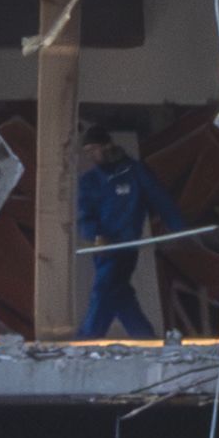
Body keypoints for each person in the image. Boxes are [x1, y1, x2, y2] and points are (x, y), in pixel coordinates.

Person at [72, 122, 176, 340]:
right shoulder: (90, 181)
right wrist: (96, 235)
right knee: (120, 295)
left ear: (107, 145)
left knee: (104, 289)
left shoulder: (135, 172)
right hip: (103, 248)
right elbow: (84, 215)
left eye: (94, 150)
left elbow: (161, 200)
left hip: (126, 247)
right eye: (87, 152)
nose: (91, 156)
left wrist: (180, 229)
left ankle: (86, 340)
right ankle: (146, 338)